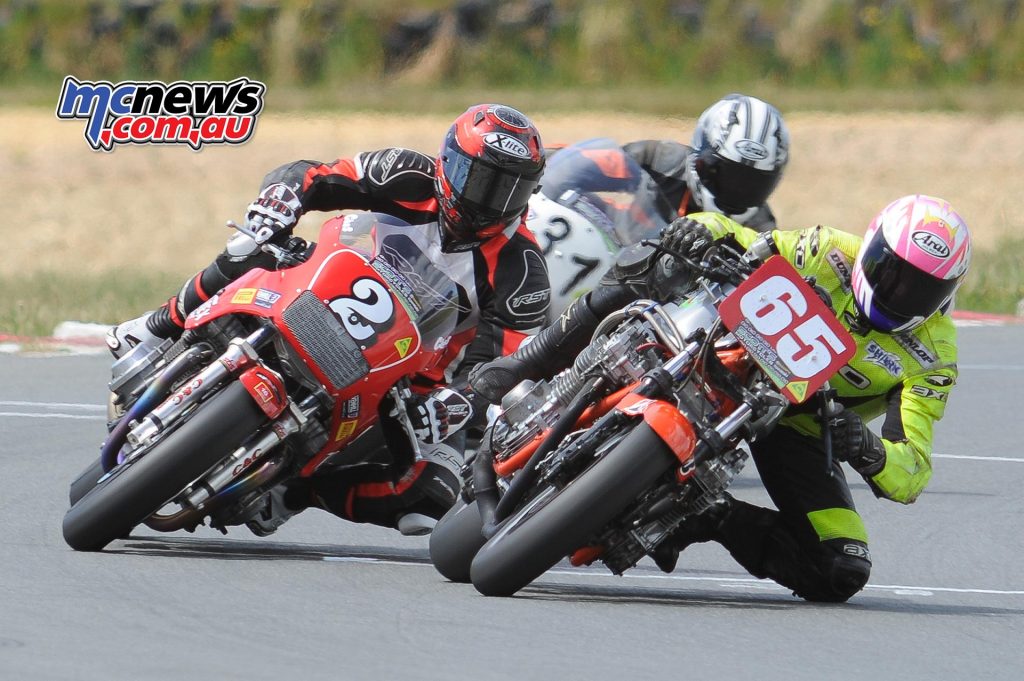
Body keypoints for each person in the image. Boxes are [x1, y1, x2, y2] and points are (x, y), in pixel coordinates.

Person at [470, 194, 971, 602]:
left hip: (802, 425)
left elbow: (913, 471)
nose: (898, 293)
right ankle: (531, 362)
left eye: (920, 290)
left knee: (841, 566)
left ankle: (707, 516)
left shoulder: (933, 356)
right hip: (730, 342)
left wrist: (864, 446)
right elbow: (746, 240)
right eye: (890, 271)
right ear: (870, 249)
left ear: (945, 294)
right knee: (660, 260)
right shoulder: (826, 249)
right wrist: (703, 231)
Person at [108, 103, 551, 536]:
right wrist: (281, 202)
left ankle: (294, 492)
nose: (488, 201)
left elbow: (501, 367)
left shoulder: (523, 270)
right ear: (447, 163)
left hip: (407, 377)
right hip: (315, 286)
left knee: (433, 491)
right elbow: (311, 175)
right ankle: (155, 326)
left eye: (507, 190)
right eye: (477, 179)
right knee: (253, 246)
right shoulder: (404, 172)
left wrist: (454, 403)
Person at [622, 93, 789, 230]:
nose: (736, 189)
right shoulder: (656, 159)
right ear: (700, 154)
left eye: (752, 183)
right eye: (727, 175)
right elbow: (602, 161)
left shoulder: (762, 230)